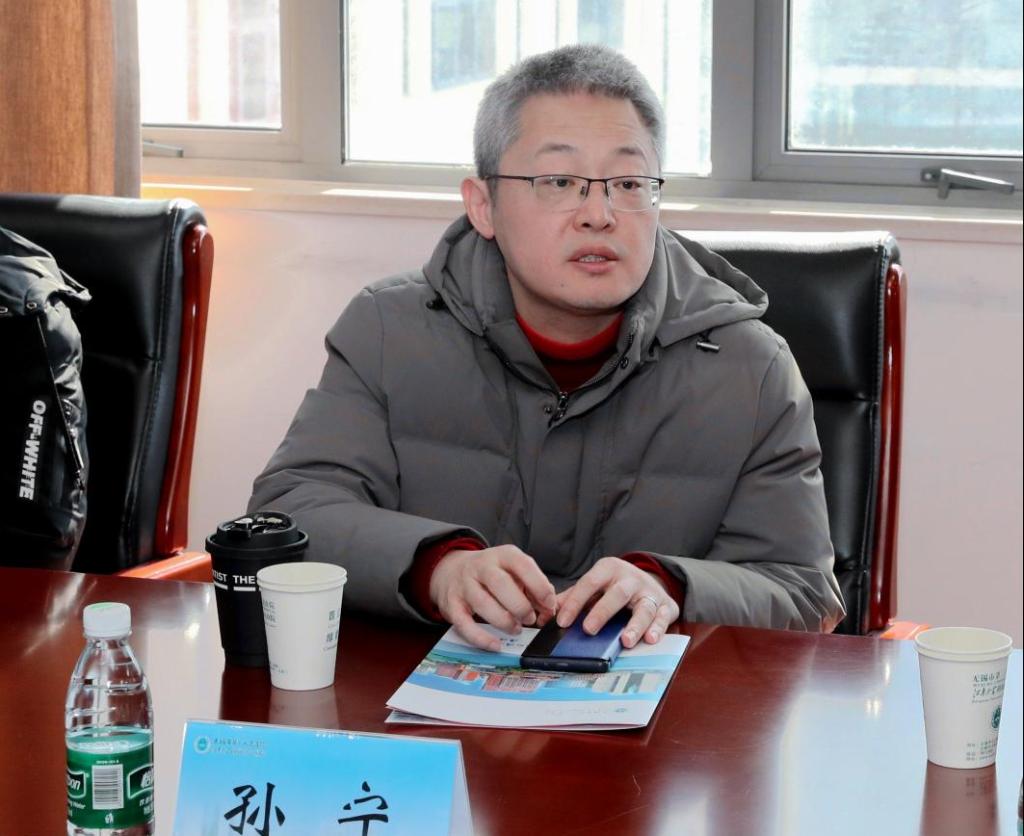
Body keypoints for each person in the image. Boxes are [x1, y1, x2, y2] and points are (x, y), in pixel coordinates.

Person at [249, 44, 845, 652]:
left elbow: (805, 593)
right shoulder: (388, 331)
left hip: (670, 709)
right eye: (559, 181)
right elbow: (291, 513)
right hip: (414, 700)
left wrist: (672, 586)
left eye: (628, 183)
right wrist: (436, 567)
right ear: (483, 206)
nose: (599, 214)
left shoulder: (752, 368)